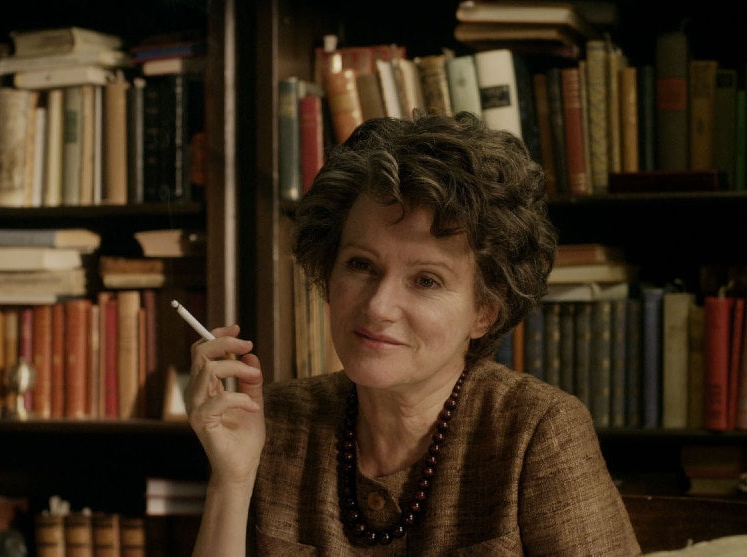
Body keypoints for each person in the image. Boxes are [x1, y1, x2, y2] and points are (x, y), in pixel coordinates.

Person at [186, 111, 641, 556]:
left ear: (484, 310)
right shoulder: (272, 422)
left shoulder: (535, 432)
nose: (378, 306)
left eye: (426, 280)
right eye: (361, 265)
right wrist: (233, 479)